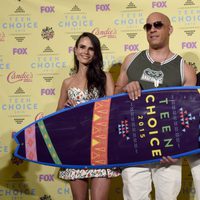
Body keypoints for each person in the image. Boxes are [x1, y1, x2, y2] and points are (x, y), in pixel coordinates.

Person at [114, 12, 196, 200]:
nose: (152, 29)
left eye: (158, 25)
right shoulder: (131, 60)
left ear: (170, 29)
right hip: (134, 149)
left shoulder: (185, 69)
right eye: (148, 26)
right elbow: (113, 102)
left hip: (168, 152)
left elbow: (190, 116)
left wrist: (180, 149)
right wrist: (126, 88)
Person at [56, 32, 120, 200]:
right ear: (75, 50)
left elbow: (113, 114)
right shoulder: (67, 83)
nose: (86, 52)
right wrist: (65, 110)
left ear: (96, 53)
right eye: (82, 47)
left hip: (100, 147)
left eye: (91, 49)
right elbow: (56, 120)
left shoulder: (105, 77)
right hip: (74, 148)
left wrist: (86, 113)